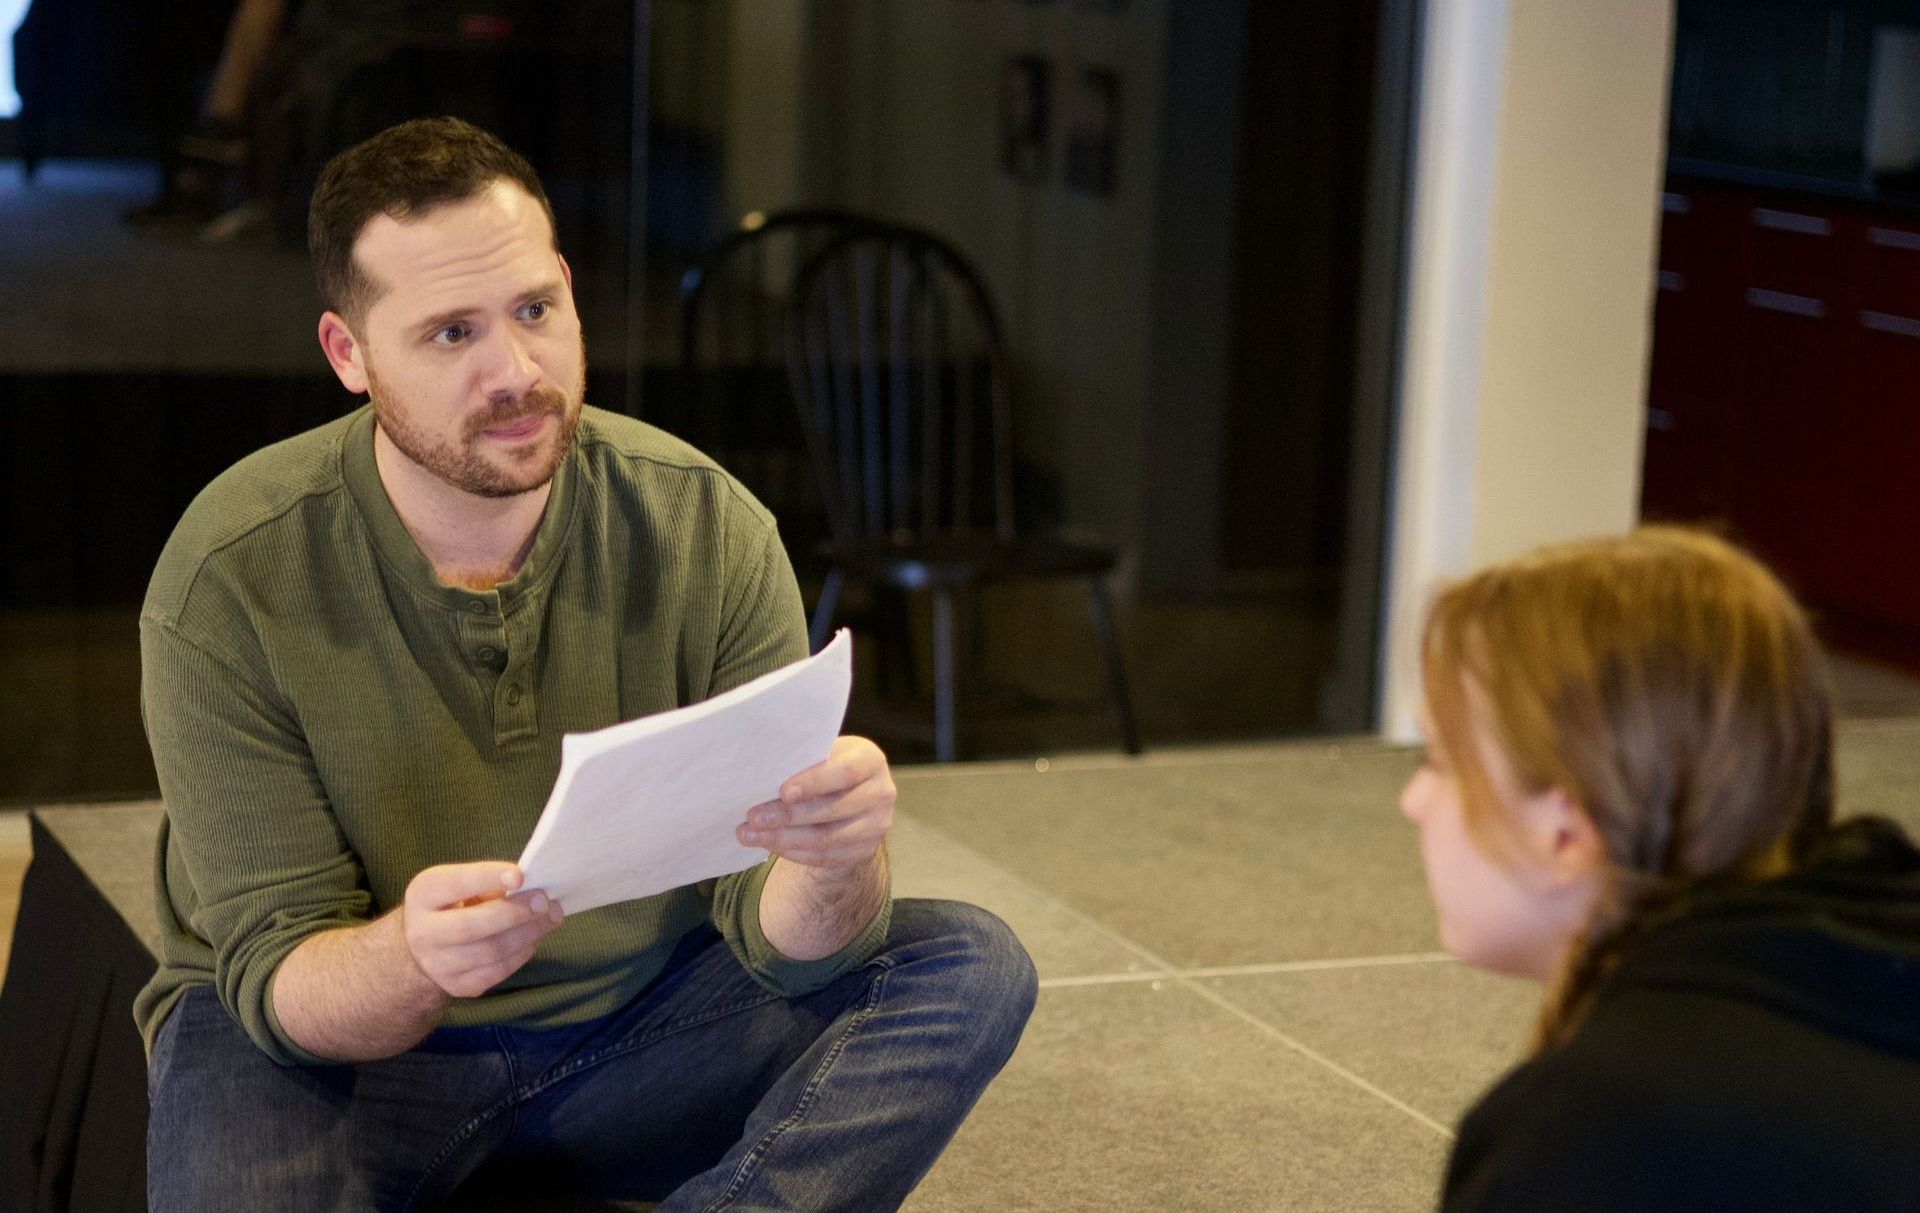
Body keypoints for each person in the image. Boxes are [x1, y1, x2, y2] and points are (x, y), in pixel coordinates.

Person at [136, 115, 1037, 1212]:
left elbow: (782, 944)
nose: (515, 371)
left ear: (568, 287)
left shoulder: (704, 523)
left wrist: (834, 858)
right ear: (349, 356)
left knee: (964, 964)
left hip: (633, 1040)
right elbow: (279, 981)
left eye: (534, 310)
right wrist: (414, 960)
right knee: (234, 1055)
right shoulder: (233, 572)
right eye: (450, 334)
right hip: (342, 1068)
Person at [1401, 526, 1920, 1212]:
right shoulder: (1865, 963)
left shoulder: (1602, 1134)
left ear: (1566, 833)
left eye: (1441, 763)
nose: (1412, 801)